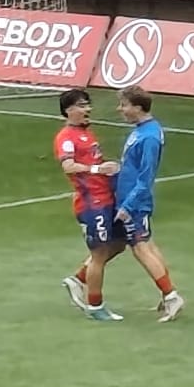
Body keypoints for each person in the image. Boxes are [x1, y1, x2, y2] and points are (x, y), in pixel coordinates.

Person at [113, 88, 186, 322]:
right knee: (148, 246)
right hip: (129, 198)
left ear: (138, 107)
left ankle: (171, 296)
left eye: (124, 105)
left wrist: (128, 206)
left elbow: (146, 178)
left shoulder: (150, 137)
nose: (121, 110)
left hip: (134, 202)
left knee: (140, 248)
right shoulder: (143, 131)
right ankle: (167, 295)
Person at [54, 89, 126, 323]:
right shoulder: (66, 137)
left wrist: (108, 168)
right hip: (91, 203)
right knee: (98, 254)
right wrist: (97, 170)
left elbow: (91, 162)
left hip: (105, 198)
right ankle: (95, 306)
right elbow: (69, 167)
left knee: (118, 244)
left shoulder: (86, 134)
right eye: (82, 106)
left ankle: (77, 280)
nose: (88, 110)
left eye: (88, 105)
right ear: (69, 110)